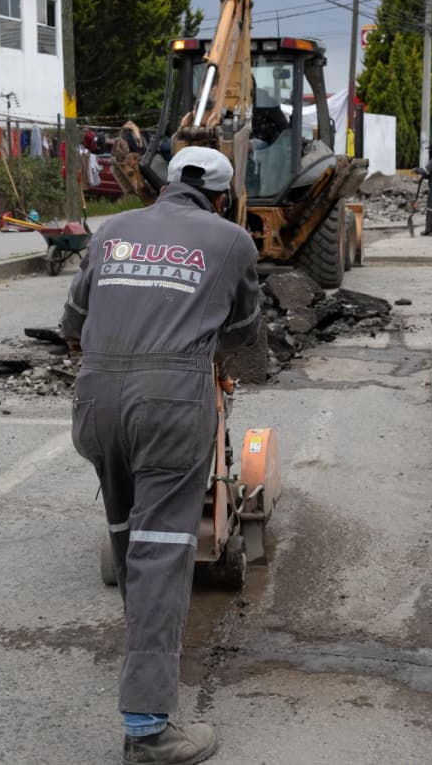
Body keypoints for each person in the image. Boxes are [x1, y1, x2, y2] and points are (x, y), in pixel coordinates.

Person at [62, 145, 261, 765]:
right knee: (160, 556)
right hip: (169, 407)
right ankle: (148, 729)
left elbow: (74, 320)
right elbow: (242, 331)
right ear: (223, 195)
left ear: (167, 184)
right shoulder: (231, 241)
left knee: (128, 542)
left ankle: (142, 659)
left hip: (96, 403)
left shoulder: (114, 230)